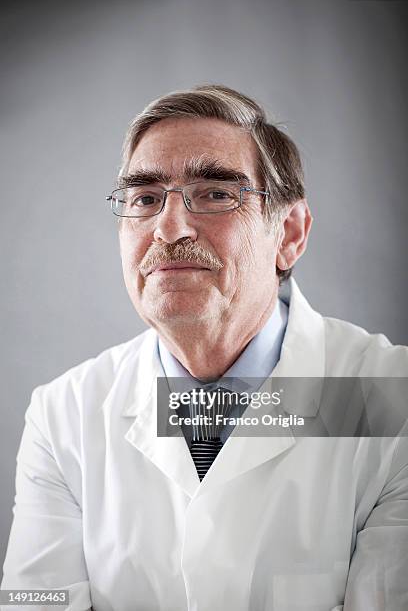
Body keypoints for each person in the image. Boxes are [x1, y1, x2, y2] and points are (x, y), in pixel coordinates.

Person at [1, 85, 407, 611]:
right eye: (145, 198)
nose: (168, 229)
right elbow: (36, 601)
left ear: (289, 232)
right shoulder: (64, 415)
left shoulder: (390, 400)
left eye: (216, 193)